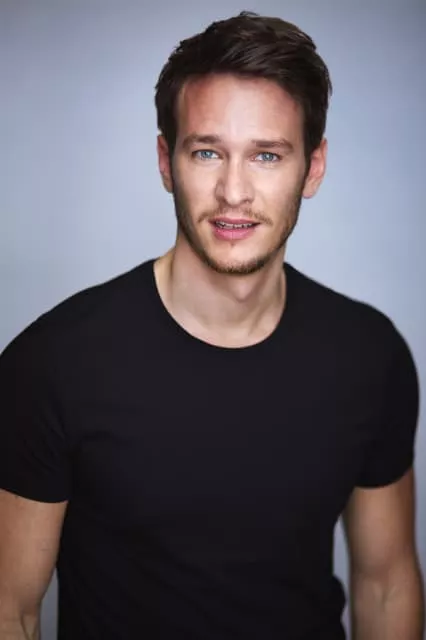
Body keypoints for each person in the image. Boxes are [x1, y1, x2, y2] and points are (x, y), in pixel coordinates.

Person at [0, 10, 424, 640]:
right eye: (206, 152)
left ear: (313, 168)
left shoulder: (370, 355)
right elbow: (11, 609)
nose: (233, 192)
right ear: (166, 162)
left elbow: (386, 584)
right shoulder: (51, 364)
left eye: (266, 155)